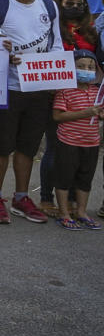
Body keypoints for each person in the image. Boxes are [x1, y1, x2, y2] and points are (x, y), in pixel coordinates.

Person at [0, 0, 63, 225]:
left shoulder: (50, 7)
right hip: (8, 88)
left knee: (28, 147)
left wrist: (50, 69)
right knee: (2, 145)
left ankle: (20, 197)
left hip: (39, 89)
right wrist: (0, 46)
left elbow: (57, 46)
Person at [38, 0, 101, 215]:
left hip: (85, 97)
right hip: (56, 96)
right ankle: (46, 198)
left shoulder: (91, 31)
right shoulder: (49, 28)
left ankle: (74, 200)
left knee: (79, 152)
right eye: (69, 4)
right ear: (59, 4)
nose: (75, 7)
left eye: (79, 4)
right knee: (55, 149)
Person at [50, 50, 103, 230]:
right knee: (64, 179)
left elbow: (99, 116)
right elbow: (57, 116)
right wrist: (85, 113)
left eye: (90, 67)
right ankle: (64, 213)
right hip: (68, 142)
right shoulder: (65, 91)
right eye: (80, 66)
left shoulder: (98, 93)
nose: (86, 70)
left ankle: (81, 212)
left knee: (84, 180)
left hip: (92, 143)